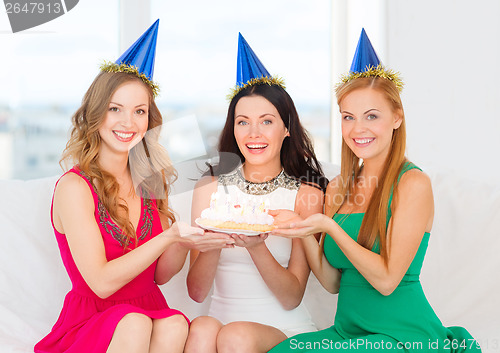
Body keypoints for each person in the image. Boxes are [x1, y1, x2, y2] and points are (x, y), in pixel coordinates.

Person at [268, 29, 481, 352]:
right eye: (348, 117)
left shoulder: (413, 183)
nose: (358, 129)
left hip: (401, 334)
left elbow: (386, 280)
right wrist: (301, 228)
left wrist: (329, 228)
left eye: (372, 116)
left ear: (397, 118)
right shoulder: (338, 187)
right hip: (348, 333)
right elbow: (331, 282)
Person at [34, 20, 231, 353]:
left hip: (148, 309)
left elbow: (161, 275)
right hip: (94, 321)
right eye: (115, 109)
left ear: (148, 120)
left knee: (175, 323)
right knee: (135, 322)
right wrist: (169, 236)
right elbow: (101, 282)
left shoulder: (149, 180)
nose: (128, 123)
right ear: (96, 116)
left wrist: (189, 241)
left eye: (139, 111)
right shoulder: (75, 187)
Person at [184, 33, 328, 353]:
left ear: (287, 128)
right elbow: (196, 292)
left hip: (284, 330)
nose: (254, 134)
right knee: (203, 327)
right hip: (219, 327)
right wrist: (216, 237)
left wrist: (255, 247)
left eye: (266, 121)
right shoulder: (209, 189)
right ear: (233, 130)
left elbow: (292, 297)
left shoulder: (306, 195)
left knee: (235, 336)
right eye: (243, 122)